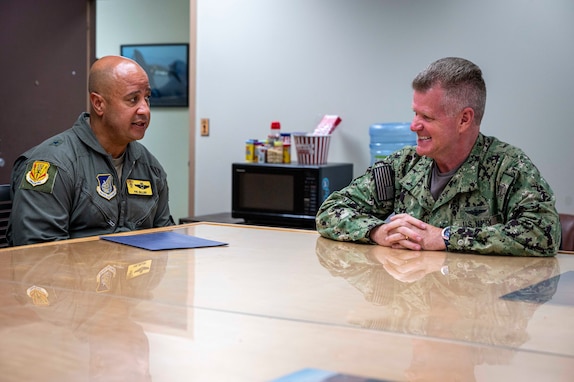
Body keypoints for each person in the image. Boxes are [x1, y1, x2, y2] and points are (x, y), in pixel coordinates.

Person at [316, 57, 560, 256]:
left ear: (464, 119)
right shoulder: (403, 165)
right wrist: (378, 231)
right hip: (414, 305)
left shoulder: (508, 169)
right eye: (415, 114)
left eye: (427, 117)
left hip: (476, 308)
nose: (414, 126)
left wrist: (445, 237)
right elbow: (330, 212)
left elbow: (543, 233)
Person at [7, 55, 174, 246]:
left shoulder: (149, 167)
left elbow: (166, 241)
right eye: (133, 99)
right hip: (71, 275)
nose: (144, 110)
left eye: (147, 98)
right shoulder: (53, 164)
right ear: (99, 104)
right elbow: (39, 254)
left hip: (136, 274)